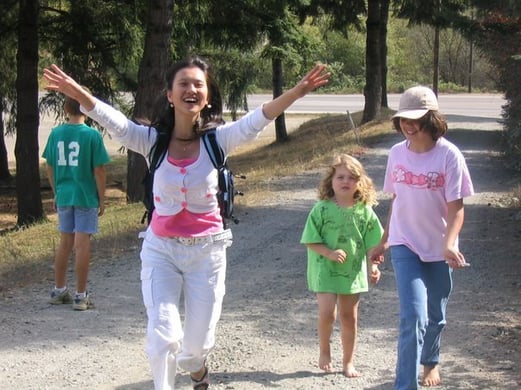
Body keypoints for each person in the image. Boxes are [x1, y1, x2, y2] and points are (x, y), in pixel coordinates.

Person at [43, 56, 330, 390]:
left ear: (207, 97)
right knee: (163, 336)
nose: (191, 89)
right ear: (169, 94)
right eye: (183, 83)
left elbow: (259, 119)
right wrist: (78, 92)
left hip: (207, 256)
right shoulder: (152, 142)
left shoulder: (217, 141)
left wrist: (296, 91)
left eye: (198, 85)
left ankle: (197, 369)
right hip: (160, 252)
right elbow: (116, 122)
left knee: (196, 348)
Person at [368, 86, 474, 389]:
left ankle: (430, 361)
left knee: (435, 316)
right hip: (405, 244)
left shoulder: (449, 155)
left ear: (431, 118)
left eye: (415, 119)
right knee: (412, 316)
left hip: (439, 246)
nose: (407, 125)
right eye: (403, 118)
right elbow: (397, 201)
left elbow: (457, 209)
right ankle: (405, 385)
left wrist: (450, 243)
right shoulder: (396, 153)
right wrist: (385, 240)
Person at [300, 153, 383, 378]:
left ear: (360, 183)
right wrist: (329, 252)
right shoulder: (321, 209)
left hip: (352, 272)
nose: (346, 181)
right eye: (340, 177)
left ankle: (348, 362)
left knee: (349, 316)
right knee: (327, 313)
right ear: (331, 181)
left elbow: (373, 244)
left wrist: (373, 266)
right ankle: (324, 351)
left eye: (352, 177)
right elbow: (309, 239)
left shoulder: (364, 211)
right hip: (324, 270)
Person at [42, 93, 110, 311]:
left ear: (65, 109)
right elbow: (98, 169)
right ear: (87, 109)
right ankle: (81, 295)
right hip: (85, 195)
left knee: (65, 243)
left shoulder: (56, 134)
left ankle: (59, 289)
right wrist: (102, 197)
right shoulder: (92, 135)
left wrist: (56, 192)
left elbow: (49, 165)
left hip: (64, 194)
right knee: (82, 245)